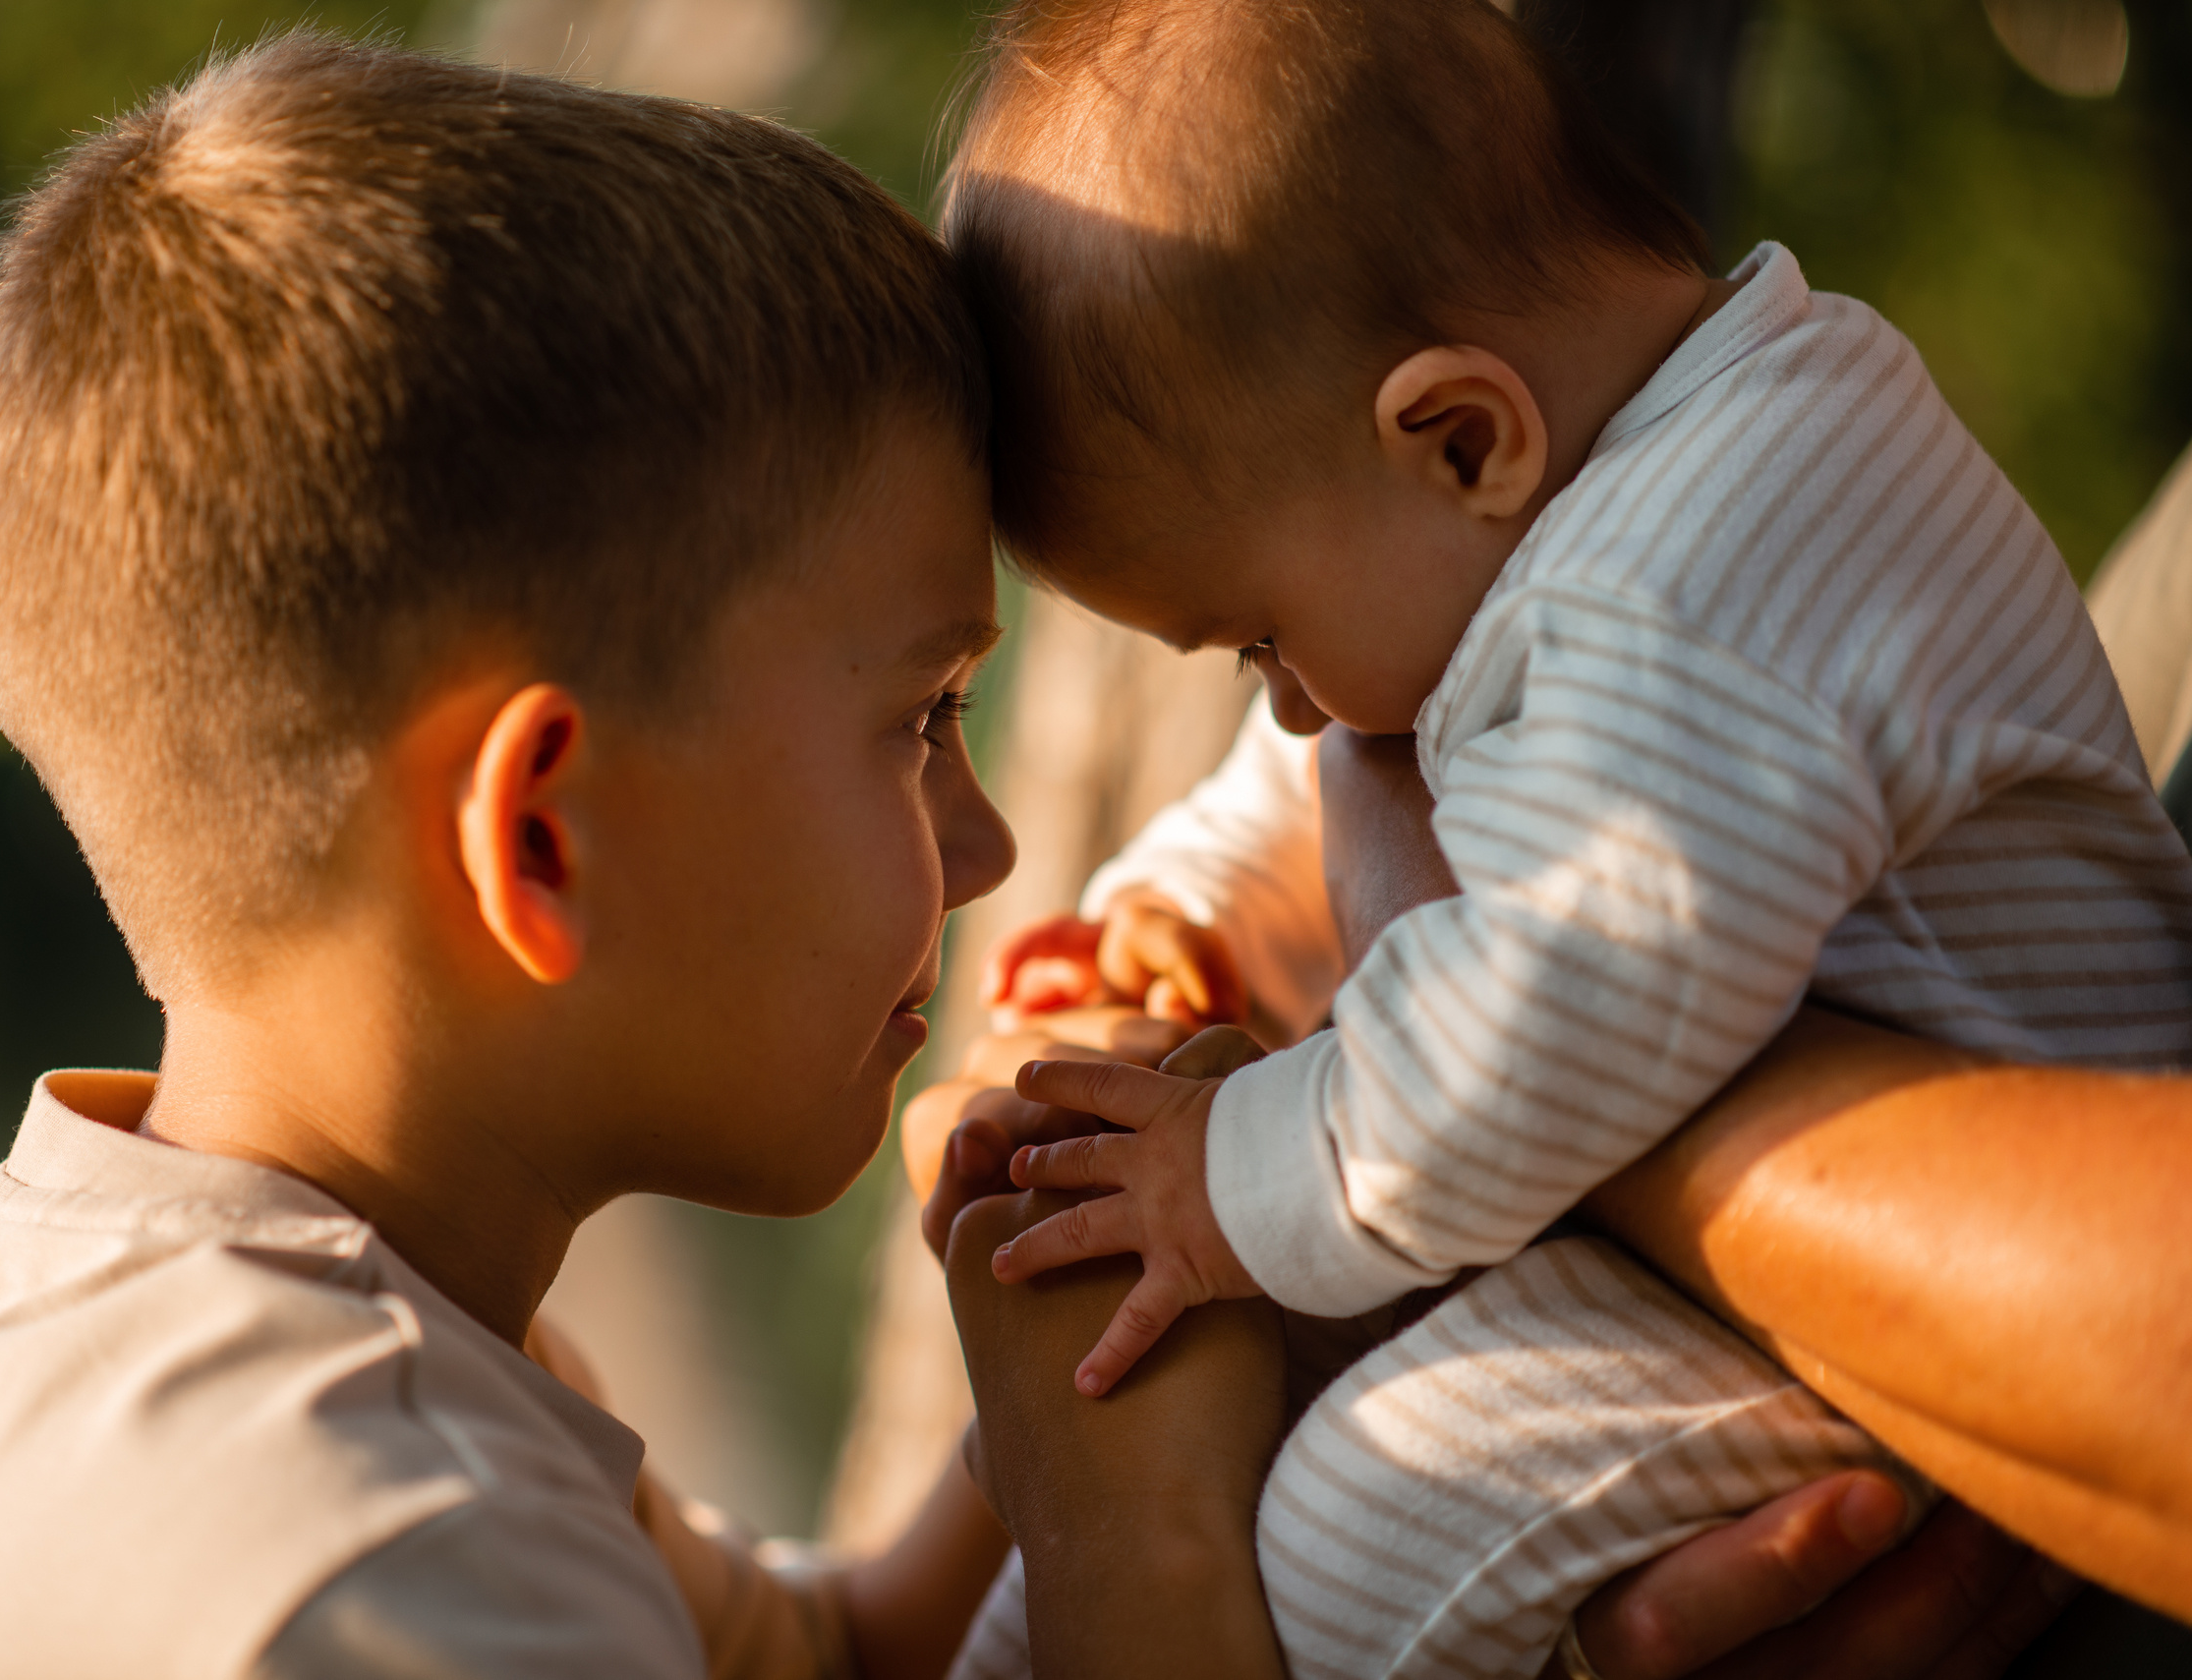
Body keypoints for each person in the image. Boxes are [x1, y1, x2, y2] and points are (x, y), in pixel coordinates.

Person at [0, 35, 1868, 1680]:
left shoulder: (284, 1320)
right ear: (538, 833)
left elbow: (832, 1661)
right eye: (920, 716)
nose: (978, 851)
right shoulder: (362, 1585)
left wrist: (1085, 1283)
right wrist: (1122, 1527)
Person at [938, 0, 2192, 1673]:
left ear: (1460, 433)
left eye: (1253, 637)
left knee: (1347, 1525)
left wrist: (1225, 1171)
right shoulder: (1603, 494)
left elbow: (1555, 1002)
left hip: (1956, 1300)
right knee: (1155, 1423)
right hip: (1765, 1245)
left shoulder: (1685, 591)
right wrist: (1191, 904)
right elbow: (1357, 748)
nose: (1289, 705)